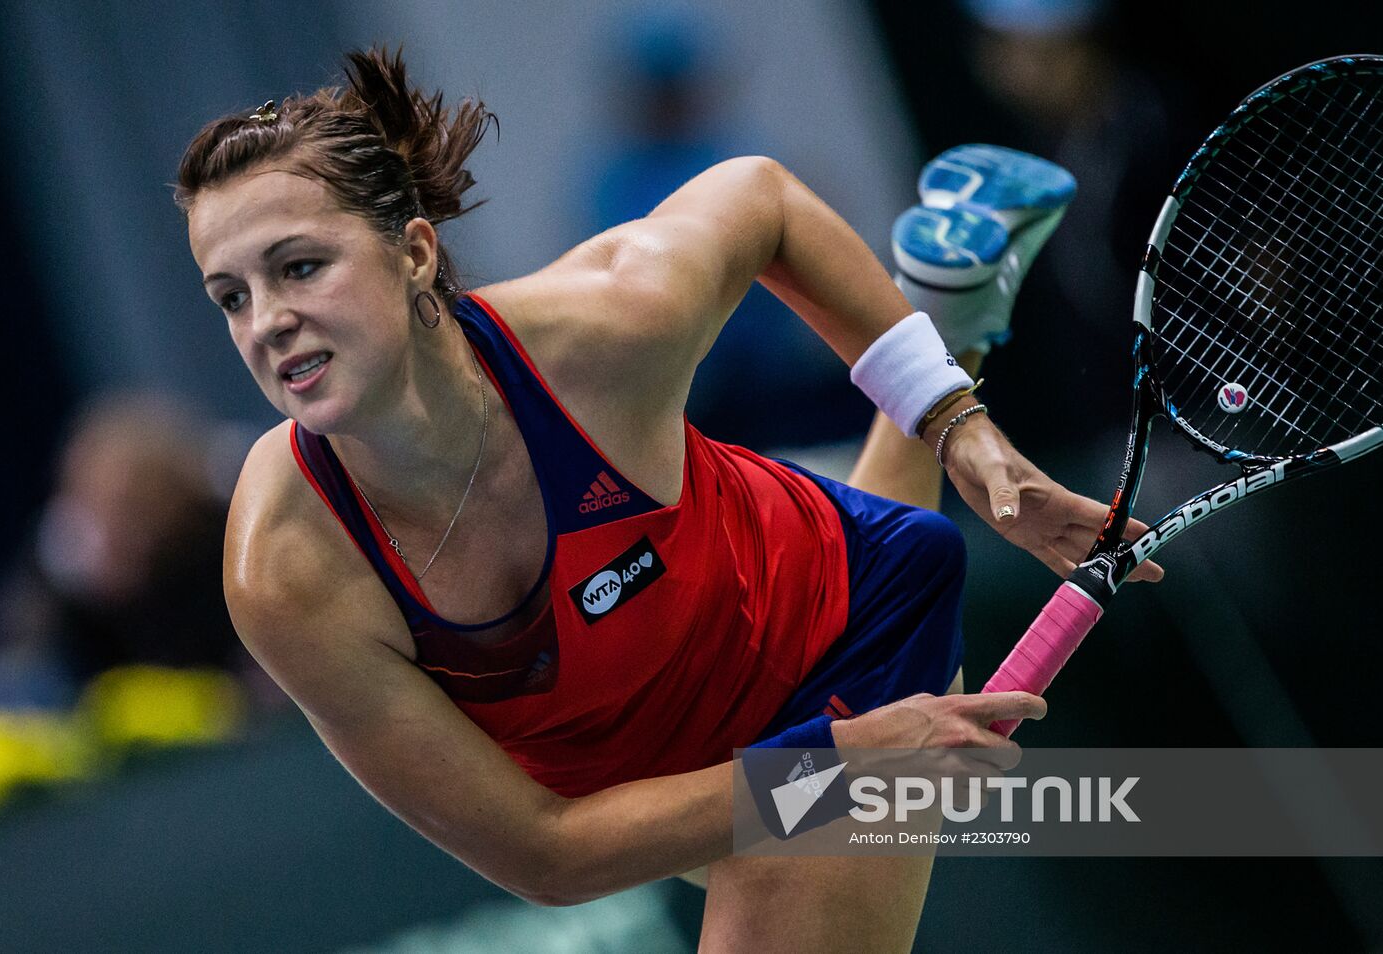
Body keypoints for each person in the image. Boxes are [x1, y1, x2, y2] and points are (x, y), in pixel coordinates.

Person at [177, 49, 1158, 952]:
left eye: (300, 266)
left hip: (832, 647)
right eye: (231, 296)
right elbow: (547, 855)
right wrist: (850, 764)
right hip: (642, 777)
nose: (268, 322)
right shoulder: (289, 569)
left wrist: (960, 428)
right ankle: (948, 301)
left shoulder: (605, 330)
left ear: (416, 253)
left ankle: (946, 335)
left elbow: (758, 199)